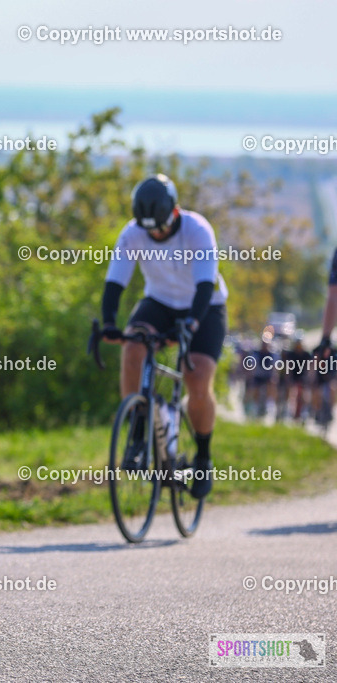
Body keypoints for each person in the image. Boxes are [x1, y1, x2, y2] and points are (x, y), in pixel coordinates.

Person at [100, 174, 228, 498]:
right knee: (132, 346)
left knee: (196, 376)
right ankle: (138, 429)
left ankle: (202, 455)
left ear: (175, 212)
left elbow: (204, 286)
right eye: (150, 229)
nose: (155, 233)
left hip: (204, 306)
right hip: (158, 301)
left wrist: (192, 325)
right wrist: (109, 322)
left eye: (160, 227)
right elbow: (115, 283)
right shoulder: (132, 234)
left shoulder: (197, 230)